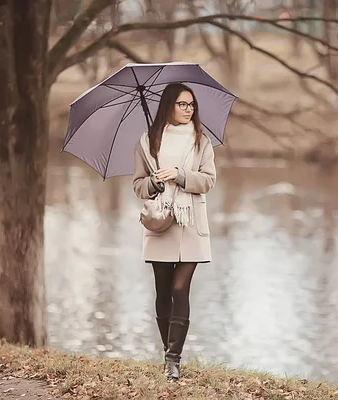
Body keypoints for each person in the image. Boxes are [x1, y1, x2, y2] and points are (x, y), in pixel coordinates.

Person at [132, 83, 216, 381]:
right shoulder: (148, 142)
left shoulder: (201, 141)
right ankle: (167, 350)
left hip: (191, 222)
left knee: (181, 289)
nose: (188, 109)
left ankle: (173, 360)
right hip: (161, 223)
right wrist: (154, 183)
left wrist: (180, 176)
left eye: (191, 104)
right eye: (182, 104)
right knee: (163, 291)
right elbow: (138, 184)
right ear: (168, 106)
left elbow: (208, 180)